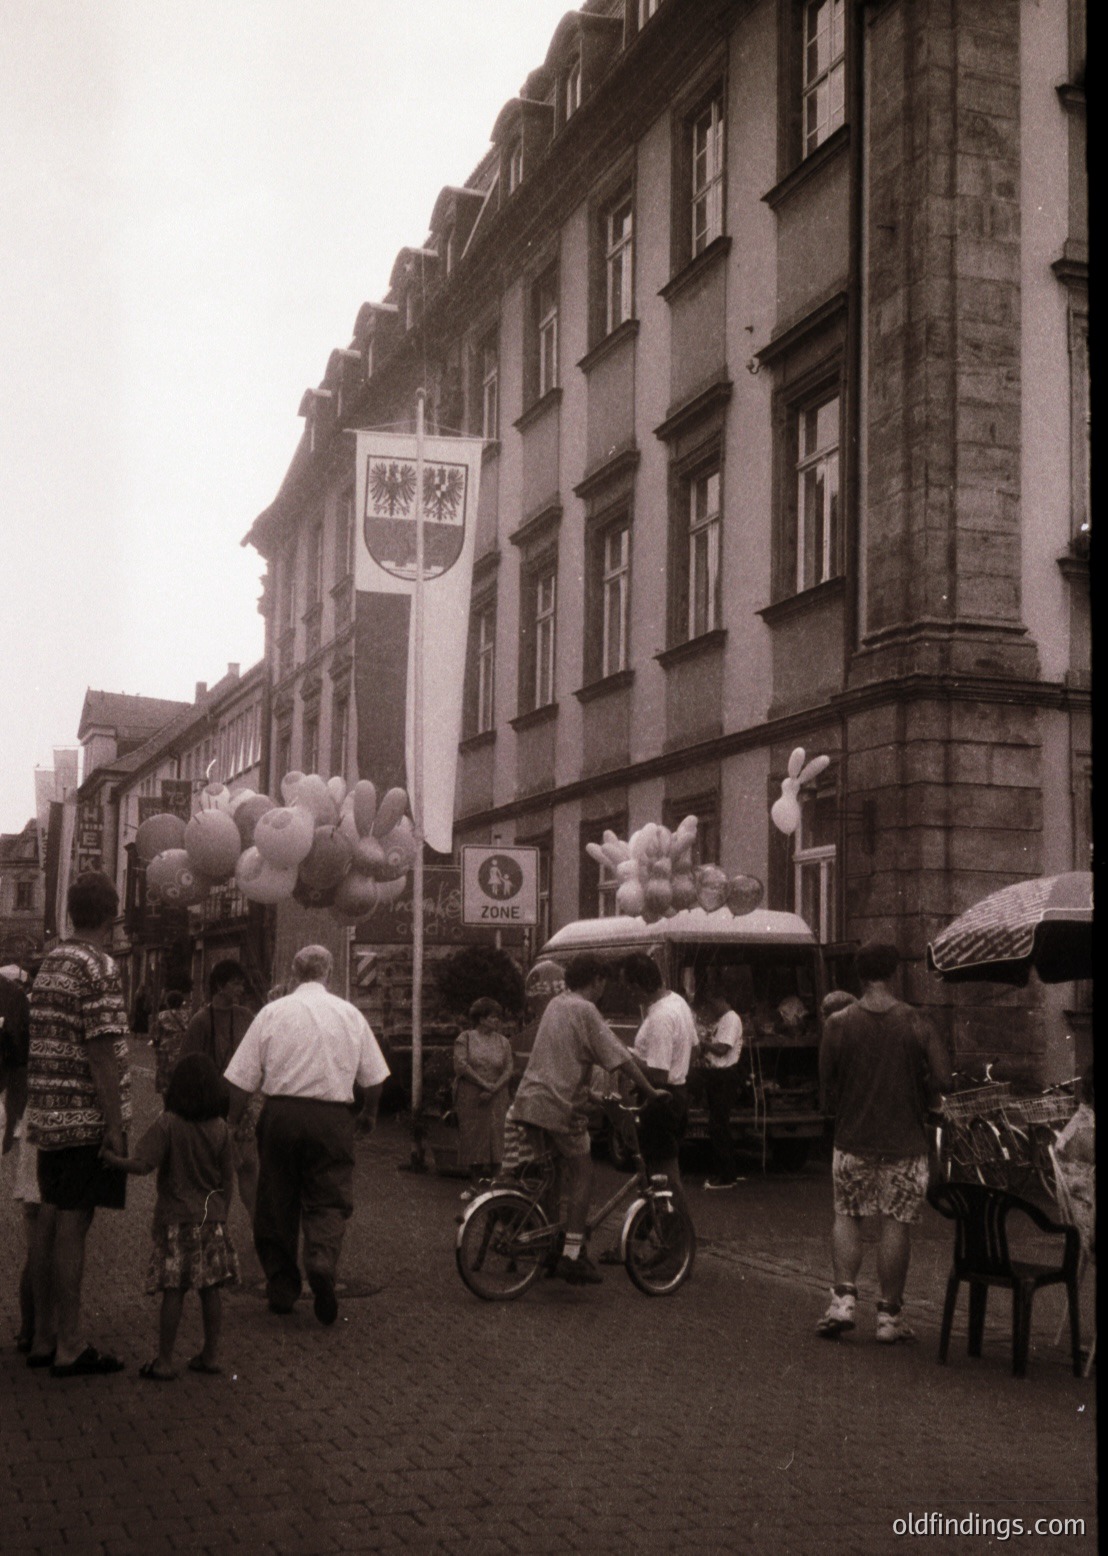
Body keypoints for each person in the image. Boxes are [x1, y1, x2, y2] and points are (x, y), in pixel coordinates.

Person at [223, 944, 389, 1324]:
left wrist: (232, 1123)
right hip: (332, 1118)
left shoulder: (271, 1013)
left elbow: (240, 1077)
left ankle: (282, 1285)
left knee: (276, 1197)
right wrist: (369, 1112)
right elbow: (375, 1076)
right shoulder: (350, 1014)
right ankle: (321, 1259)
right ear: (327, 974)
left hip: (281, 1114)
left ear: (296, 974)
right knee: (329, 1195)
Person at [503, 952, 667, 1286]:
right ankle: (572, 1255)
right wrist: (651, 1092)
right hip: (559, 1107)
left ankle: (548, 1247)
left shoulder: (556, 1004)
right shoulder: (584, 1009)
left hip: (529, 1103)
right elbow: (620, 1058)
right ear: (596, 980)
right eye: (603, 982)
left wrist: (592, 1095)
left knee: (552, 1178)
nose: (603, 988)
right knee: (583, 1175)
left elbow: (565, 1057)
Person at [816, 941, 951, 1344]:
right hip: (905, 1141)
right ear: (895, 973)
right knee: (896, 1224)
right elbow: (944, 1079)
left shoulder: (837, 1023)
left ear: (859, 975)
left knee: (848, 1215)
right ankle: (889, 1317)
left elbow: (826, 1089)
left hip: (853, 1137)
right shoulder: (917, 1021)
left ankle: (842, 1301)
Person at [24, 871, 131, 1376]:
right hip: (84, 1119)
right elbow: (103, 1052)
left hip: (46, 1114)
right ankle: (70, 1344)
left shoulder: (51, 964)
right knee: (74, 1224)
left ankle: (43, 1335)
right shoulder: (99, 966)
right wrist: (114, 1124)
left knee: (48, 1218)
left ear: (71, 911)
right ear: (110, 914)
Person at [102, 1052, 239, 1380]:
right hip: (211, 1219)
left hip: (175, 1219)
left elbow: (142, 1164)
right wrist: (222, 1214)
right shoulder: (221, 1129)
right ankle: (211, 1355)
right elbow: (227, 1179)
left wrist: (111, 1159)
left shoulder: (168, 1123)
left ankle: (165, 1360)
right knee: (211, 1290)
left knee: (173, 1290)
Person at [179, 959, 258, 1217]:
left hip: (242, 1103)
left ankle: (260, 1229)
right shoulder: (200, 1021)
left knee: (248, 1166)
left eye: (241, 982)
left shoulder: (247, 1017)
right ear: (220, 986)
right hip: (212, 1108)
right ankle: (216, 1225)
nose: (241, 988)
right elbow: (187, 1067)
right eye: (236, 982)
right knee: (217, 1175)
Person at [623, 952, 697, 1207]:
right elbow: (695, 1048)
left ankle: (675, 1239)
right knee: (656, 1175)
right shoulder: (677, 1002)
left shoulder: (660, 1017)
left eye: (630, 988)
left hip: (660, 1099)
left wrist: (628, 1059)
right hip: (678, 1093)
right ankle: (646, 1236)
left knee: (663, 1175)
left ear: (639, 986)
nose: (630, 995)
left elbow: (658, 1074)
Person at [453, 997, 514, 1200]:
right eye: (492, 1017)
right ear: (480, 1019)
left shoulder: (503, 1042)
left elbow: (508, 1069)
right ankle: (474, 1186)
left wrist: (494, 1088)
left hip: (497, 1097)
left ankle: (497, 1183)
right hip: (473, 1095)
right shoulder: (466, 1038)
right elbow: (461, 1066)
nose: (496, 1021)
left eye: (498, 1017)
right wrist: (483, 1084)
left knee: (498, 1137)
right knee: (474, 1137)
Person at [696, 984, 744, 1190]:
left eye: (711, 1003)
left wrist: (702, 1043)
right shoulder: (722, 1021)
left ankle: (724, 1175)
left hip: (724, 1075)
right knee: (719, 1124)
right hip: (717, 1075)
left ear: (720, 1000)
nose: (710, 1008)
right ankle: (728, 1171)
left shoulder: (731, 1019)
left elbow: (722, 1049)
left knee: (719, 1125)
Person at [151, 989, 189, 1100]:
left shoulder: (162, 1016)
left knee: (165, 1082)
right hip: (183, 1050)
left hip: (166, 1052)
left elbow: (156, 1034)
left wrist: (156, 1044)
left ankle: (167, 1106)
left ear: (168, 1002)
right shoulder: (186, 1015)